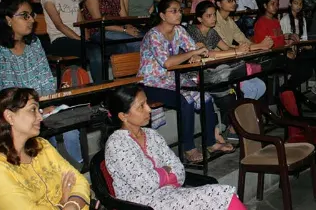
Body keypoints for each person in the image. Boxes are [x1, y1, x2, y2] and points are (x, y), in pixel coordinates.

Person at [0, 0, 83, 162]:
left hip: (38, 110)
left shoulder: (34, 44)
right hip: (6, 117)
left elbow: (47, 82)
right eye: (25, 15)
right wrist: (33, 110)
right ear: (8, 20)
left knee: (69, 129)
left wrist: (41, 108)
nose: (32, 19)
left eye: (32, 15)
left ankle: (72, 178)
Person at [104, 84, 245, 210]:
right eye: (141, 106)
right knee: (221, 197)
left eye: (146, 103)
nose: (149, 109)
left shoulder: (152, 135)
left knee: (222, 194)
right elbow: (145, 185)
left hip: (168, 195)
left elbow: (179, 170)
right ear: (123, 116)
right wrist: (166, 171)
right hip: (141, 204)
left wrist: (160, 174)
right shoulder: (117, 144)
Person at [139, 0, 235, 163]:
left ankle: (211, 142)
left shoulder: (179, 30)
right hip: (151, 83)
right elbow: (167, 62)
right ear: (162, 15)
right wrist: (191, 54)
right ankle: (188, 148)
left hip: (172, 78)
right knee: (186, 100)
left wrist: (195, 54)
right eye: (173, 11)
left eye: (180, 11)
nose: (179, 14)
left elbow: (194, 50)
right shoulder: (153, 35)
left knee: (205, 97)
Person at [0, 88, 90, 210]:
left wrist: (72, 205)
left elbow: (80, 181)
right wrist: (62, 202)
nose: (40, 117)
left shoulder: (41, 146)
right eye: (32, 110)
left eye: (39, 110)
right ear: (9, 117)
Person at [187, 1, 266, 139]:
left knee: (239, 85)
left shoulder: (212, 32)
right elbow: (207, 53)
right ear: (200, 18)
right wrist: (237, 52)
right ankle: (231, 127)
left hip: (213, 72)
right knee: (230, 91)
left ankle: (230, 126)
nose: (213, 18)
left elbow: (228, 49)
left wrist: (247, 48)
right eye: (209, 16)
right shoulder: (193, 30)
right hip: (196, 75)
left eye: (214, 15)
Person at [41, 0, 98, 82]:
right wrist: (81, 39)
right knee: (94, 51)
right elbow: (59, 25)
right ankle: (100, 86)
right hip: (59, 39)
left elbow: (80, 21)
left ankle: (101, 84)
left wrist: (86, 35)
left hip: (77, 39)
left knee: (100, 47)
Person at [83, 0, 142, 77]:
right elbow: (98, 21)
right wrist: (125, 30)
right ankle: (129, 79)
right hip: (100, 31)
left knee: (141, 37)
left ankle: (135, 77)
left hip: (118, 29)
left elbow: (124, 16)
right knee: (135, 43)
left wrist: (130, 27)